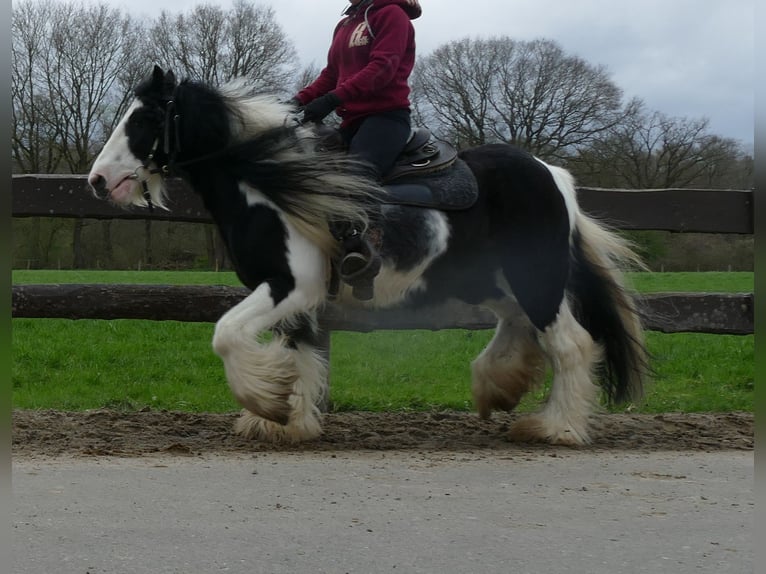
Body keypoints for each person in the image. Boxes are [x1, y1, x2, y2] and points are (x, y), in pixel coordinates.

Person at [292, 0, 422, 300]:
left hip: (387, 118)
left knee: (356, 178)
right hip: (351, 121)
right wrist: (298, 101)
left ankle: (365, 258)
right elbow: (330, 75)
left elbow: (383, 68)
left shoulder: (392, 14)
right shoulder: (346, 23)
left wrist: (332, 100)